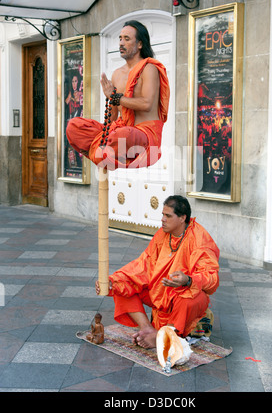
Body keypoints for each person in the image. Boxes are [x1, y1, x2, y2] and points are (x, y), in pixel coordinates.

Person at [95, 195, 220, 349]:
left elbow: (212, 278)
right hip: (160, 292)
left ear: (182, 218)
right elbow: (143, 265)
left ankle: (163, 336)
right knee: (122, 286)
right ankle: (147, 328)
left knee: (190, 299)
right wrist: (111, 282)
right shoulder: (162, 235)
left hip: (183, 296)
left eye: (168, 216)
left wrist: (188, 280)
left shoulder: (200, 238)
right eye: (162, 215)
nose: (163, 219)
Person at [66, 20, 170, 170]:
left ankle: (104, 152)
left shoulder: (149, 68)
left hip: (144, 135)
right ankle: (104, 150)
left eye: (127, 39)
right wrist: (101, 134)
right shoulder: (117, 74)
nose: (121, 43)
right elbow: (112, 117)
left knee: (122, 136)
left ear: (140, 44)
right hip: (120, 131)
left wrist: (115, 97)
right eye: (120, 38)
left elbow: (146, 104)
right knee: (73, 126)